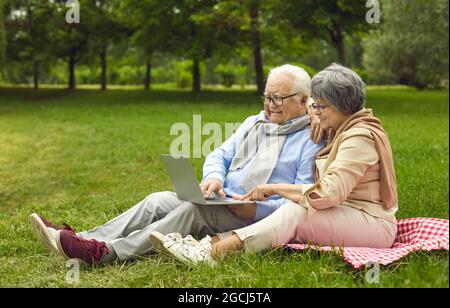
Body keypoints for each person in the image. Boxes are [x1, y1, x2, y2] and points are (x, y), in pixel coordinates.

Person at [29, 64, 323, 265]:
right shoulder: (254, 122)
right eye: (266, 96)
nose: (269, 104)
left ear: (303, 100)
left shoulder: (311, 139)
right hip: (223, 200)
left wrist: (255, 208)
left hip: (255, 219)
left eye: (277, 98)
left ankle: (106, 252)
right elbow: (219, 155)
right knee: (158, 200)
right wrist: (214, 178)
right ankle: (85, 238)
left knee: (191, 209)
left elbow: (299, 198)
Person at [151, 64, 399, 266]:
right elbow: (309, 107)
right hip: (345, 213)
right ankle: (207, 244)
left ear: (343, 107)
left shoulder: (358, 138)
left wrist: (274, 189)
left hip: (371, 223)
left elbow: (329, 192)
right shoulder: (339, 125)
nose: (317, 112)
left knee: (294, 211)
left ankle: (210, 254)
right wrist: (314, 113)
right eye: (314, 105)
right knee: (295, 209)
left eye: (321, 107)